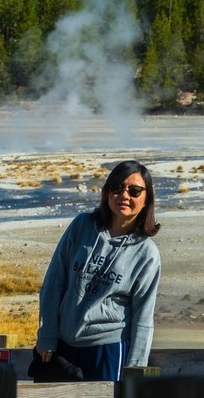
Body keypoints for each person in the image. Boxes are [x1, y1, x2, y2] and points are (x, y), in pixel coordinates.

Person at [34, 160, 161, 381]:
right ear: (106, 192)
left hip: (108, 349)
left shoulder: (146, 253)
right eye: (117, 188)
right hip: (64, 345)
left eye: (135, 190)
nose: (124, 195)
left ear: (146, 199)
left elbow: (143, 316)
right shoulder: (82, 226)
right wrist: (47, 335)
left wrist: (136, 369)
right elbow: (54, 283)